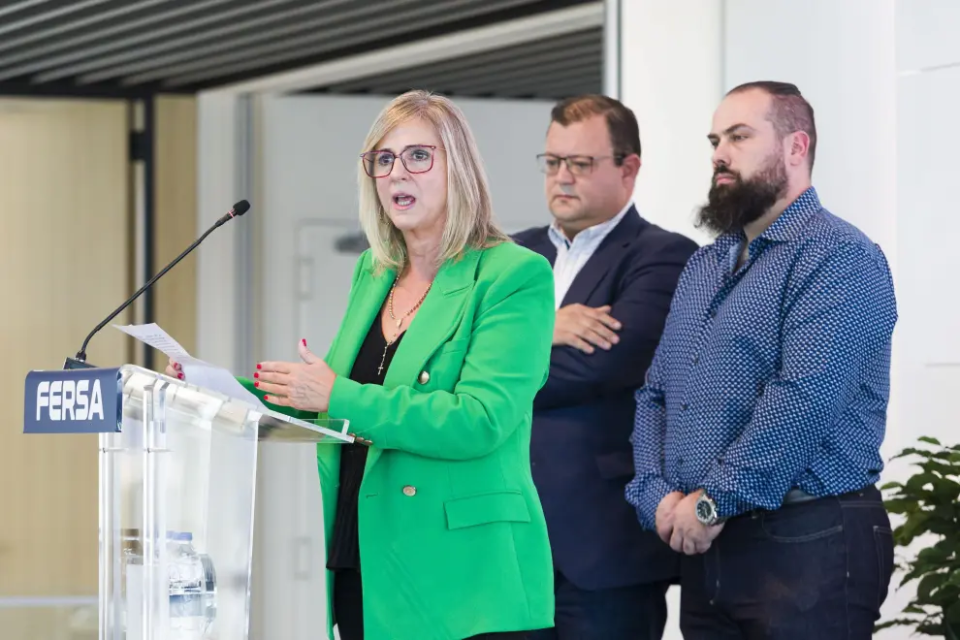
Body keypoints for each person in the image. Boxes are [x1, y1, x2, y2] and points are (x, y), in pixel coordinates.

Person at [167, 90, 557, 640]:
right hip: (366, 555)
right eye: (383, 159)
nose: (399, 172)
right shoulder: (375, 274)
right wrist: (208, 388)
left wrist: (335, 397)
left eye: (419, 156)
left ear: (459, 167)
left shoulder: (513, 275)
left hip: (466, 579)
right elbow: (324, 400)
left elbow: (480, 419)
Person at [626, 80, 898, 639]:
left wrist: (710, 504)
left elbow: (801, 400)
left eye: (739, 136)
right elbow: (656, 393)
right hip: (709, 548)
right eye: (714, 139)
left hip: (809, 542)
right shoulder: (705, 265)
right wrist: (656, 497)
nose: (719, 154)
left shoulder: (840, 257)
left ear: (796, 148)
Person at [513, 94, 698, 639]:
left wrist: (501, 361)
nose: (561, 178)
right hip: (506, 544)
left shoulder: (663, 257)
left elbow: (598, 367)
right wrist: (545, 329)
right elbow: (453, 359)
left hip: (601, 552)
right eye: (552, 162)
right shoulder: (509, 258)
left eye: (581, 164)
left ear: (629, 167)